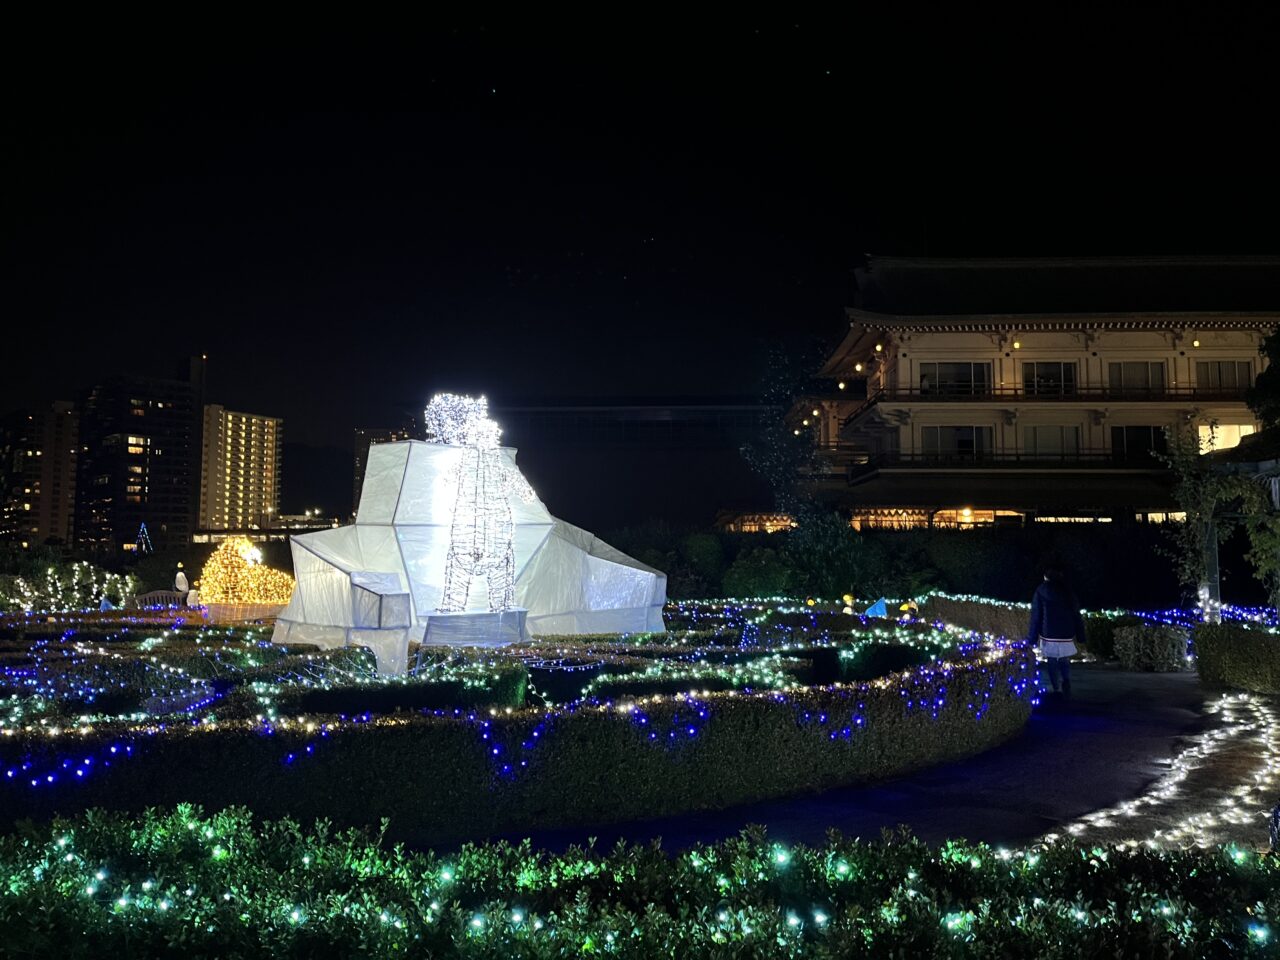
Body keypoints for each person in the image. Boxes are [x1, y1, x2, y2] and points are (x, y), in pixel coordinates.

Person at [1026, 564, 1085, 698]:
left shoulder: (1041, 590)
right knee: (1064, 659)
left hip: (1049, 634)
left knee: (1052, 661)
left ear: (1046, 577)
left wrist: (1032, 638)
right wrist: (1081, 635)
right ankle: (1066, 681)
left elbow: (1036, 615)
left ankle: (1056, 688)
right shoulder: (1068, 590)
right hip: (1066, 633)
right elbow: (1076, 613)